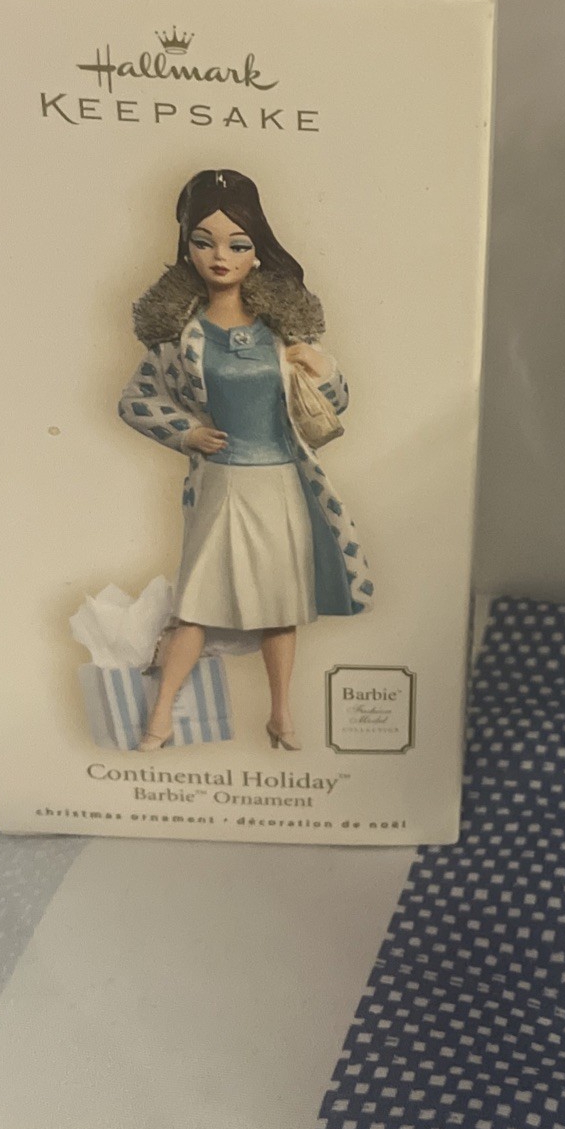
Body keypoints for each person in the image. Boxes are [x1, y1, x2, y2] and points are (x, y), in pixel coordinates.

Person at [118, 168, 372, 753]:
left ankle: (281, 715)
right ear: (187, 248)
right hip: (221, 483)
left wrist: (324, 370)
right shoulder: (178, 339)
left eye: (236, 244)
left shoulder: (283, 335)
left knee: (280, 607)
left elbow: (332, 409)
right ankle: (161, 716)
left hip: (281, 482)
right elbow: (134, 401)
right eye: (203, 242)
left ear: (257, 250)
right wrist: (187, 431)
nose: (220, 256)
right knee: (196, 606)